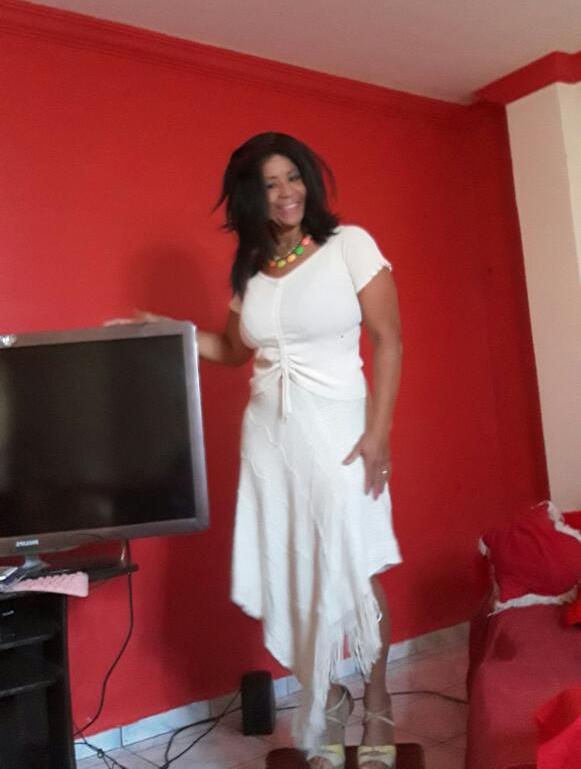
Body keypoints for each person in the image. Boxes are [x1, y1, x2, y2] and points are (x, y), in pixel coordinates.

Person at [128, 132, 403, 769]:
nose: (285, 193)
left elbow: (389, 339)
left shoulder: (349, 245)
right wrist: (168, 330)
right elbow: (233, 350)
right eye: (270, 183)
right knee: (293, 566)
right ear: (250, 197)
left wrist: (379, 432)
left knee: (354, 564)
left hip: (340, 432)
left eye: (293, 177)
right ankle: (326, 699)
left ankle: (377, 699)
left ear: (310, 181)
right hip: (269, 443)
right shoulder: (250, 270)